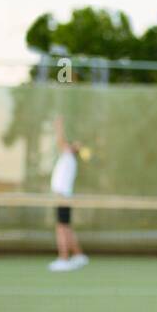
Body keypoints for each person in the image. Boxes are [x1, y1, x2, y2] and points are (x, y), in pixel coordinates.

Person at [49, 116, 89, 272]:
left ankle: (64, 258)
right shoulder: (68, 159)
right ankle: (79, 256)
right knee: (65, 227)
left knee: (61, 228)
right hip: (64, 197)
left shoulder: (68, 157)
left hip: (62, 197)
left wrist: (59, 126)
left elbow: (60, 141)